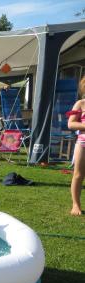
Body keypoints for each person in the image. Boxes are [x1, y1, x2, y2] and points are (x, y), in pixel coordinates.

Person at [67, 76, 85, 216]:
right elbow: (71, 124)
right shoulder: (81, 104)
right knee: (78, 175)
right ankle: (75, 204)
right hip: (83, 144)